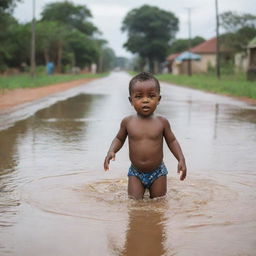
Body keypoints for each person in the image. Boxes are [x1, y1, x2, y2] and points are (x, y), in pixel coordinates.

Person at [104, 72, 187, 199]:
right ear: (131, 100)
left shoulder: (162, 122)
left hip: (158, 172)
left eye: (151, 96)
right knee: (134, 203)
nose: (145, 100)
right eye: (138, 96)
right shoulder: (128, 122)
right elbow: (119, 138)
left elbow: (172, 141)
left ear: (158, 99)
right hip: (135, 173)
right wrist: (111, 151)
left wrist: (181, 159)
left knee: (159, 203)